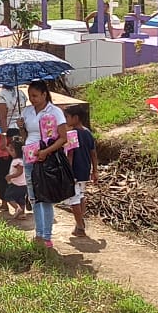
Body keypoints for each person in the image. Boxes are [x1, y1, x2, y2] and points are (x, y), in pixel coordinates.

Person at [17, 80, 69, 248]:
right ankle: (38, 233)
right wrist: (21, 128)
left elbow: (63, 137)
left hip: (47, 157)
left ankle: (46, 235)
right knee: (33, 196)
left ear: (44, 94)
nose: (32, 99)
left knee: (45, 196)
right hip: (30, 155)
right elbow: (25, 137)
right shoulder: (27, 111)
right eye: (30, 96)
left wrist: (46, 151)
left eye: (35, 96)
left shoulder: (55, 112)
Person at [63, 104, 99, 237]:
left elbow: (70, 155)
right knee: (81, 196)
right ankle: (79, 223)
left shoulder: (72, 134)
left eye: (67, 117)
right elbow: (93, 153)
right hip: (84, 170)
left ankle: (80, 226)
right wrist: (95, 170)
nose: (65, 120)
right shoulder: (87, 132)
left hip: (74, 171)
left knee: (74, 199)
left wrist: (68, 171)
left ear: (75, 118)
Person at [5, 140, 29, 220]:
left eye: (12, 150)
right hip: (24, 184)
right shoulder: (23, 160)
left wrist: (10, 176)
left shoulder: (17, 161)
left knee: (8, 196)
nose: (10, 152)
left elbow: (20, 172)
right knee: (21, 199)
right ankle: (22, 214)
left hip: (16, 184)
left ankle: (17, 208)